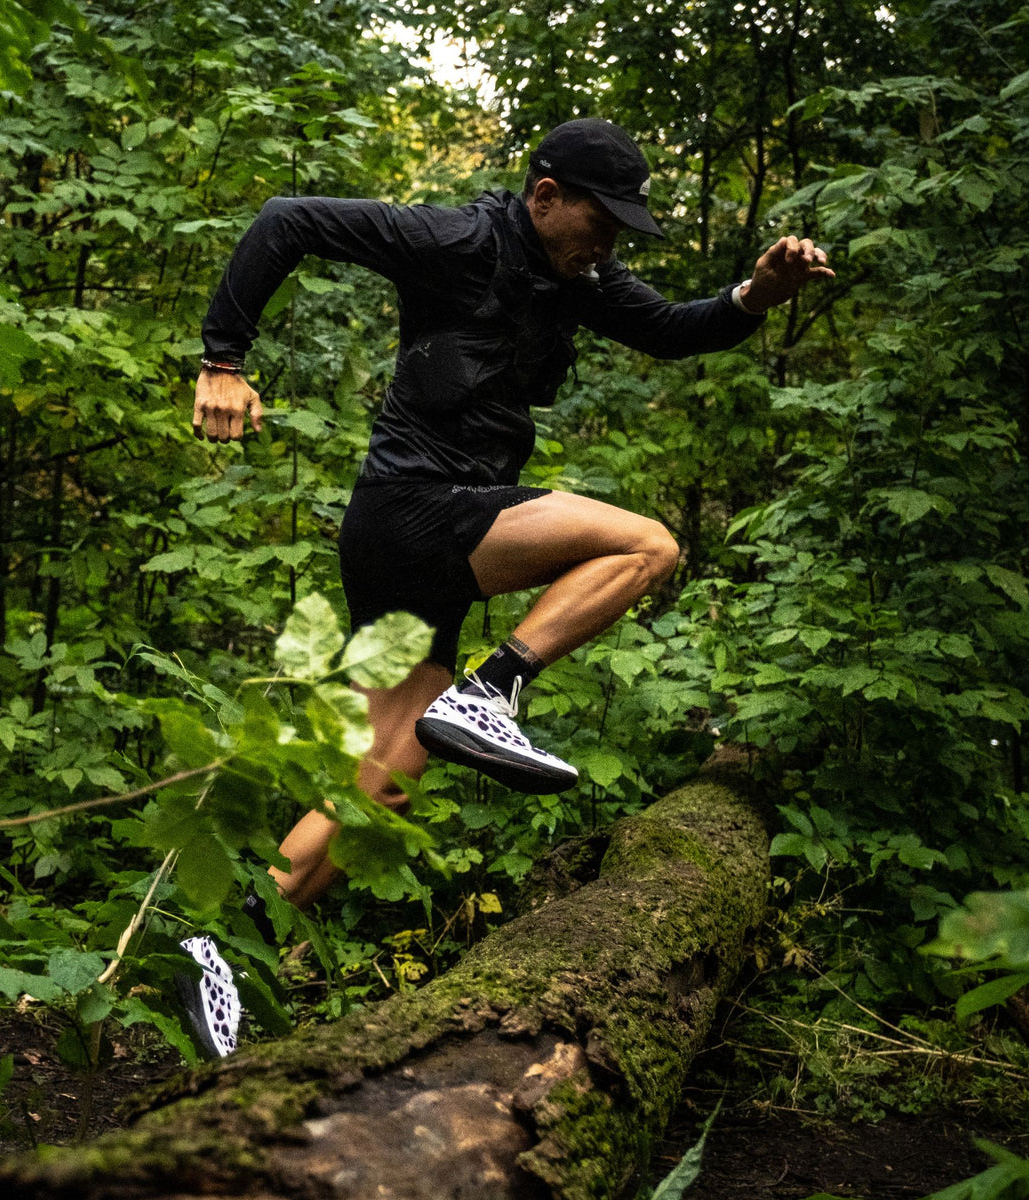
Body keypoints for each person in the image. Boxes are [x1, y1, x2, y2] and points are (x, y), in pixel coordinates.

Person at [177, 118, 834, 1057]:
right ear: (544, 195)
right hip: (414, 509)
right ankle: (492, 693)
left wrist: (754, 294)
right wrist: (223, 360)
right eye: (595, 222)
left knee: (382, 784)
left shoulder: (578, 279)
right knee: (647, 546)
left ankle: (225, 941)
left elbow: (674, 331)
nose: (604, 246)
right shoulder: (457, 238)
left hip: (417, 534)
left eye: (618, 232)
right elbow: (287, 219)